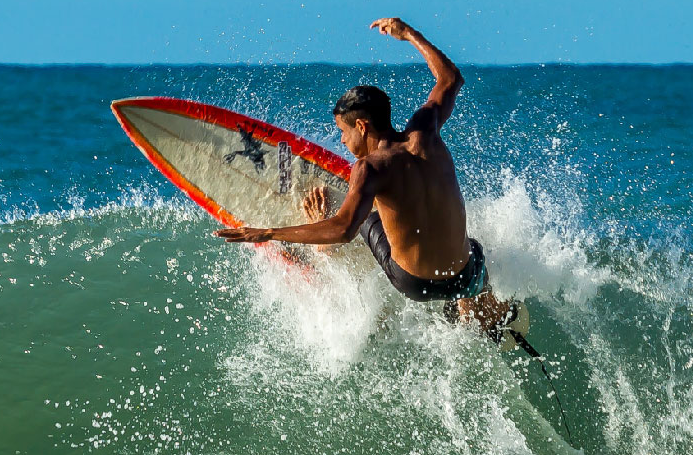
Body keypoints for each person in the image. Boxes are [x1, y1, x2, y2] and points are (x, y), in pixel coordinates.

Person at [214, 17, 520, 338]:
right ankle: (478, 311)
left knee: (369, 219)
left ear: (362, 126)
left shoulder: (369, 168)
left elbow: (344, 229)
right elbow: (450, 78)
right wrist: (409, 34)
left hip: (414, 284)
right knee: (473, 248)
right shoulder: (426, 130)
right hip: (463, 275)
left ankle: (329, 255)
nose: (343, 143)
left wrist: (271, 232)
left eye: (343, 133)